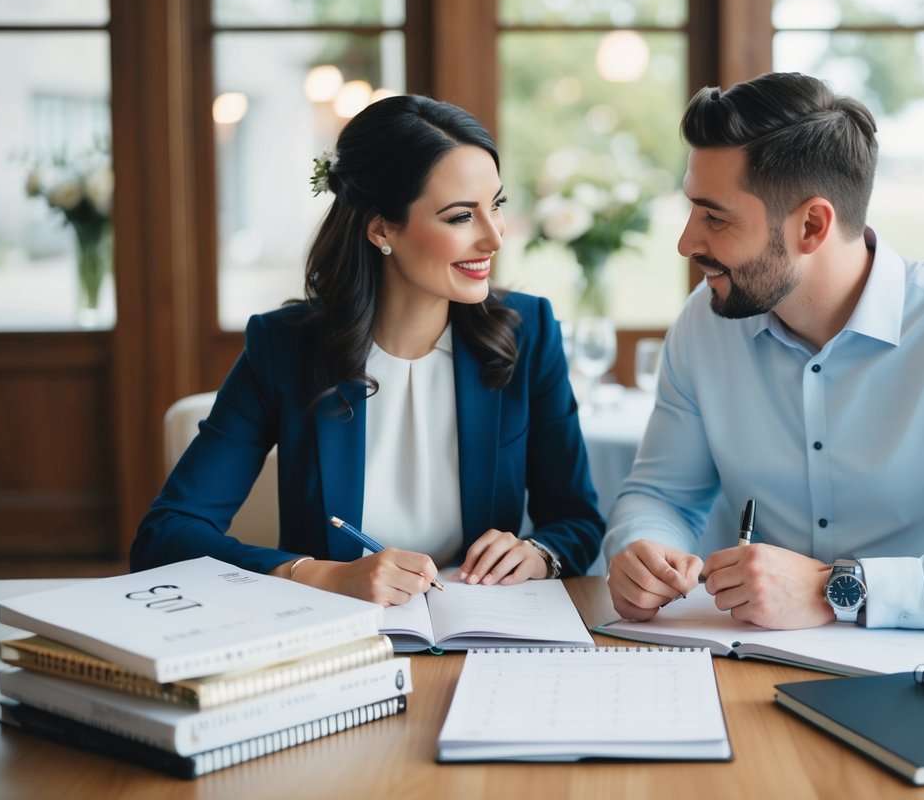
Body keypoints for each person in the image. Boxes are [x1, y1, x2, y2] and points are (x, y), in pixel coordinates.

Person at [604, 72, 924, 633]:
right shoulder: (704, 326)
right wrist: (642, 549)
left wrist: (839, 589)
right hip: (759, 666)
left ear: (812, 224)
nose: (686, 242)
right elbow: (662, 495)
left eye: (715, 217)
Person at [132, 95, 605, 606]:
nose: (494, 237)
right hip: (332, 636)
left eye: (496, 205)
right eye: (460, 217)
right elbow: (165, 536)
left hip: (481, 632)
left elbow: (577, 521)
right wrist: (320, 575)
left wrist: (539, 553)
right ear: (382, 229)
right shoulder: (285, 347)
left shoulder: (528, 331)